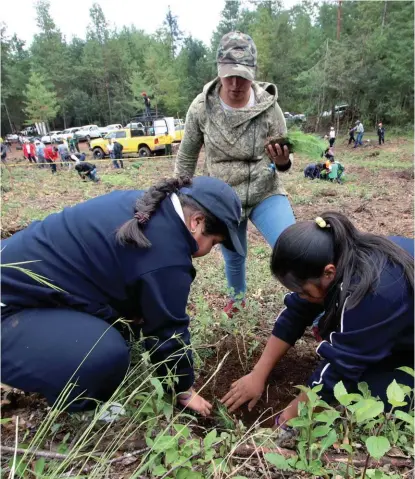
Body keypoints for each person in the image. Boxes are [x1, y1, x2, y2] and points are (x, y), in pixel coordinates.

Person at [1, 176, 243, 415]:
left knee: (124, 324)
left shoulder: (146, 206)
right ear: (196, 222)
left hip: (25, 284)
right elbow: (167, 330)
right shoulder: (166, 255)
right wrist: (183, 389)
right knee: (104, 354)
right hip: (10, 308)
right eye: (214, 242)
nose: (211, 251)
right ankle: (82, 408)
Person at [222, 212, 414, 424]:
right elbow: (296, 312)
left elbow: (341, 369)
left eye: (303, 291)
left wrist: (287, 420)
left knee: (361, 397)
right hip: (402, 327)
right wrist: (257, 374)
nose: (302, 297)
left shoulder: (374, 292)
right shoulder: (338, 256)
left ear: (329, 273)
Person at [174, 31, 295, 316]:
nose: (236, 84)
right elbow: (188, 154)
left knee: (291, 246)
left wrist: (282, 162)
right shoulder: (202, 108)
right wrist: (177, 196)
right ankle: (237, 302)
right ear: (219, 71)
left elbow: (285, 159)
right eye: (230, 75)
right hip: (222, 197)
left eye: (243, 76)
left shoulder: (268, 107)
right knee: (234, 255)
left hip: (264, 191)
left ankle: (313, 307)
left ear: (253, 73)